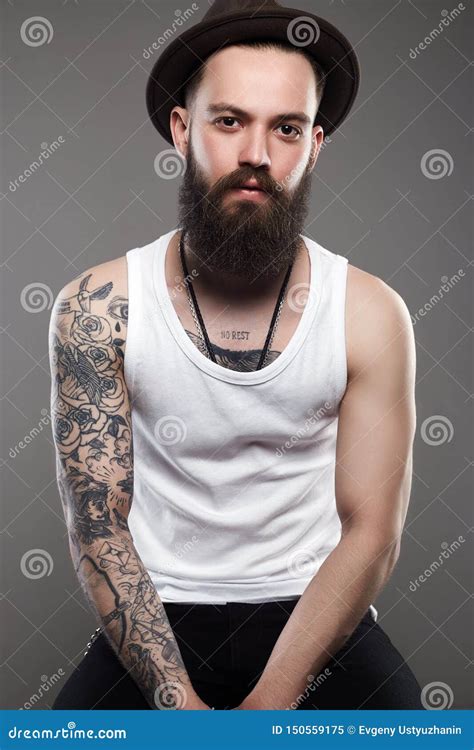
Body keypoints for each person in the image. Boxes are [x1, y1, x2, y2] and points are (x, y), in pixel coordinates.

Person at [49, 0, 423, 710]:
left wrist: (276, 694)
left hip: (316, 613)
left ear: (314, 145)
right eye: (229, 121)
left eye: (284, 128)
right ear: (183, 130)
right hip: (154, 614)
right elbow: (98, 525)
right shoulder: (97, 308)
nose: (256, 152)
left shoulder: (370, 314)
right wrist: (176, 702)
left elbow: (373, 530)